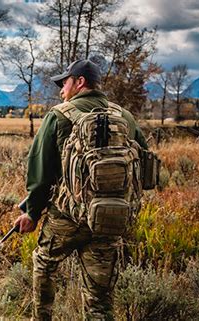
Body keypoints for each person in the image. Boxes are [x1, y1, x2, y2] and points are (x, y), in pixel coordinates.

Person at [14, 59, 148, 320]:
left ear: (80, 82)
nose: (61, 90)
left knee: (45, 262)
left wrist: (32, 212)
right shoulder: (125, 117)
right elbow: (146, 167)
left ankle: (42, 317)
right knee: (99, 298)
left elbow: (39, 173)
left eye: (64, 82)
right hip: (110, 218)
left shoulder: (59, 115)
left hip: (68, 218)